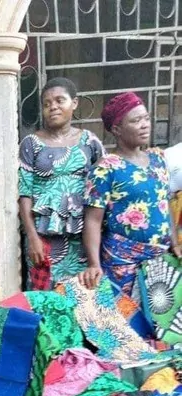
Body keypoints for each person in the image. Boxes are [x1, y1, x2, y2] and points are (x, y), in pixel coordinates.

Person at [80, 92, 182, 296]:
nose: (145, 125)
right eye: (136, 121)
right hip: (122, 263)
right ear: (117, 129)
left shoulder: (158, 159)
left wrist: (174, 243)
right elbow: (92, 221)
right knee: (126, 313)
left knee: (159, 312)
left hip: (160, 261)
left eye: (146, 118)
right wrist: (94, 264)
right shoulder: (105, 168)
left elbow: (164, 205)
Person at [18, 77, 104, 290]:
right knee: (45, 298)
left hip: (83, 237)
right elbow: (24, 193)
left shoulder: (90, 142)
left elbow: (102, 187)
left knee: (81, 295)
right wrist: (32, 237)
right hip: (43, 239)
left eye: (59, 100)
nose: (53, 107)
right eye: (47, 104)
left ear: (74, 103)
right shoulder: (31, 144)